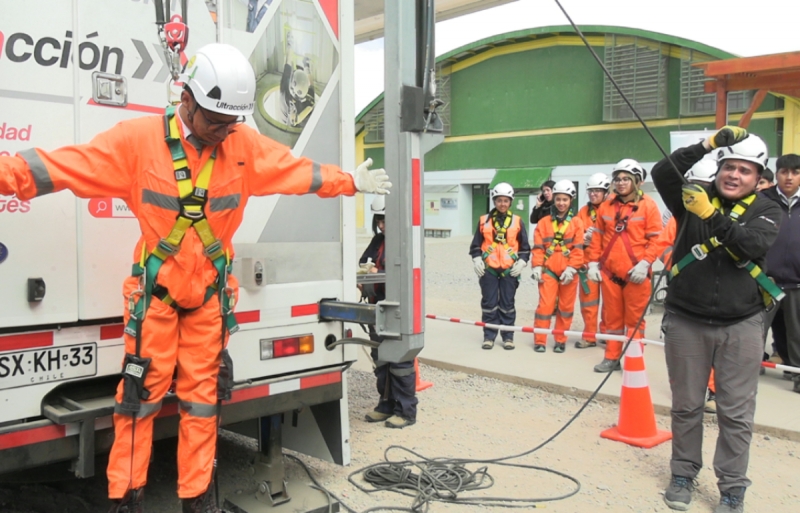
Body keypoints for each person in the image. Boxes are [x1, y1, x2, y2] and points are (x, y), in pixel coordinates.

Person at [0, 43, 391, 513]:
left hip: (208, 302)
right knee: (137, 400)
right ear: (186, 100)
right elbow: (56, 167)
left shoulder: (241, 146)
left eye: (233, 123)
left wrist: (348, 181)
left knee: (202, 405)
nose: (225, 133)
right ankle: (126, 498)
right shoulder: (136, 142)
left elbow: (294, 172)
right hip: (156, 302)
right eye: (215, 122)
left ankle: (195, 499)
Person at [652, 126, 782, 513]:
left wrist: (712, 217)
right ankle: (683, 473)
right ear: (718, 168)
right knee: (687, 405)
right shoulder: (694, 198)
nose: (734, 175)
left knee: (736, 412)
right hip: (687, 319)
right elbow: (663, 171)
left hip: (741, 322)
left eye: (745, 170)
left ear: (759, 180)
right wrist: (710, 143)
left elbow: (753, 244)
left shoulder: (768, 209)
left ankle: (732, 488)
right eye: (729, 166)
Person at [655, 158, 720, 413]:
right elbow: (664, 244)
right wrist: (679, 264)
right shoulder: (678, 215)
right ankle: (690, 392)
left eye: (703, 185)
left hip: (715, 291)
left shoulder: (723, 216)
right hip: (683, 288)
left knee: (714, 345)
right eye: (693, 185)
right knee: (687, 346)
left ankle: (714, 390)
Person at [586, 159, 662, 372]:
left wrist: (646, 263)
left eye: (626, 179)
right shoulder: (606, 207)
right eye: (618, 179)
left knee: (635, 320)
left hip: (636, 274)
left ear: (637, 181)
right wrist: (592, 264)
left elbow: (656, 239)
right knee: (613, 320)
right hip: (610, 274)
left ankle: (634, 360)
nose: (620, 183)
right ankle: (611, 357)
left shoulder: (648, 206)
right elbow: (597, 239)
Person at [359, 196, 418, 428]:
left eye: (385, 220)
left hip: (398, 310)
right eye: (379, 220)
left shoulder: (404, 242)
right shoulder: (377, 240)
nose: (382, 225)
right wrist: (367, 268)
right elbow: (364, 261)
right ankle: (385, 405)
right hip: (379, 307)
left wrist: (376, 269)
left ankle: (405, 411)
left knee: (400, 361)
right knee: (381, 359)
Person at [470, 182, 530, 350]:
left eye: (505, 201)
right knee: (488, 304)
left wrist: (522, 262)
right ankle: (489, 336)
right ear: (494, 201)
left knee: (507, 304)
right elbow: (475, 245)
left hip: (509, 270)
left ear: (510, 202)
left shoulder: (517, 222)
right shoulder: (483, 221)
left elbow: (525, 248)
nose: (502, 204)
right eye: (499, 200)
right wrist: (477, 259)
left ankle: (508, 337)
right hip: (488, 270)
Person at [531, 180, 584, 353]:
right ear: (553, 199)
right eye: (558, 199)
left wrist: (572, 268)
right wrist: (536, 266)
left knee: (566, 308)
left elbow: (578, 249)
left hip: (569, 271)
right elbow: (538, 247)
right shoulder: (544, 222)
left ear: (571, 201)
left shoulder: (576, 223)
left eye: (565, 200)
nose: (561, 203)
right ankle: (540, 339)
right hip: (549, 270)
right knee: (545, 306)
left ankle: (560, 339)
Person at [762, 153, 800, 392]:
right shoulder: (762, 200)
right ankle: (747, 372)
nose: (789, 177)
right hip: (765, 281)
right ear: (776, 174)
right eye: (784, 171)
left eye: (795, 172)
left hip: (797, 283)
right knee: (755, 329)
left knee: (797, 333)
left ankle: (796, 374)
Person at [574, 173, 610, 348]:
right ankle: (589, 336)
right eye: (591, 191)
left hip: (609, 263)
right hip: (588, 263)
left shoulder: (612, 210)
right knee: (588, 301)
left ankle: (607, 333)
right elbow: (575, 233)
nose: (593, 194)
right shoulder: (583, 212)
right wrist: (583, 238)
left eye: (597, 191)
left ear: (606, 192)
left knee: (611, 302)